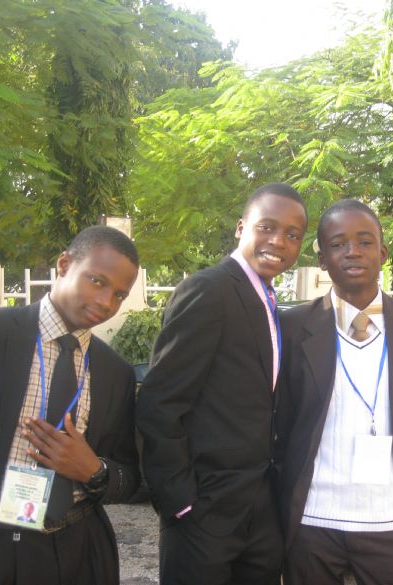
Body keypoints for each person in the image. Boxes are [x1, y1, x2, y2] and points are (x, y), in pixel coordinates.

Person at [135, 183, 308, 585]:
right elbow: (159, 402)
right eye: (267, 227)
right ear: (241, 227)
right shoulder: (208, 289)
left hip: (261, 512)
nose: (278, 241)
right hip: (204, 511)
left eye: (292, 234)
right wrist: (180, 502)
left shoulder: (268, 301)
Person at [275, 199, 393, 585]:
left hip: (392, 521)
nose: (352, 251)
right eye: (338, 244)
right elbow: (279, 428)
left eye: (365, 241)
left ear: (383, 253)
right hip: (312, 522)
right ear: (322, 260)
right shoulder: (292, 328)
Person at [0, 225, 141, 585]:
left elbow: (131, 477)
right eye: (97, 281)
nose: (107, 302)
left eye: (120, 295)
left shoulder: (115, 372)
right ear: (64, 264)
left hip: (82, 549)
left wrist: (94, 469)